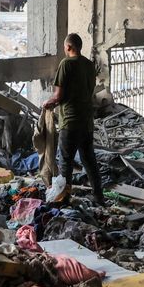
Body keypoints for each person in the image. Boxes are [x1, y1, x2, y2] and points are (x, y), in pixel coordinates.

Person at [43, 33, 104, 203]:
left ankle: (64, 198)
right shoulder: (89, 65)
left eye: (64, 47)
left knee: (66, 162)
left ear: (69, 47)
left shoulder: (66, 64)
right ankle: (99, 196)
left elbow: (58, 95)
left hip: (70, 121)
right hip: (86, 121)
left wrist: (48, 103)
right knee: (89, 160)